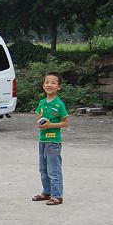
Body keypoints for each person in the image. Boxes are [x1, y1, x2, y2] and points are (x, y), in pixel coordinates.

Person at [32, 72, 69, 206]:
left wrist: (50, 125)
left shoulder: (59, 104)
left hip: (54, 142)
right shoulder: (42, 103)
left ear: (59, 86)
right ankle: (46, 192)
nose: (49, 85)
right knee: (43, 169)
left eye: (53, 82)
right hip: (42, 140)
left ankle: (57, 196)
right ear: (43, 85)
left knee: (54, 169)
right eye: (47, 82)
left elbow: (65, 122)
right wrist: (40, 123)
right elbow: (39, 118)